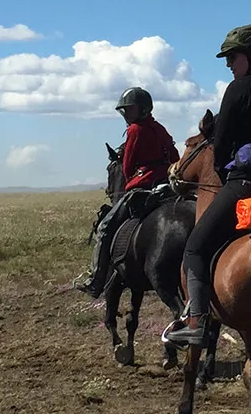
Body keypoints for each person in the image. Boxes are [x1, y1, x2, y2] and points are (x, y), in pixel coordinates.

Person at [161, 24, 251, 347]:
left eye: (232, 57)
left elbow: (223, 144)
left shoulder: (238, 90)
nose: (229, 64)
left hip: (247, 184)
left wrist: (227, 173)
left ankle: (197, 321)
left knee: (196, 247)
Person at [73, 87, 180, 296]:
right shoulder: (160, 128)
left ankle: (96, 279)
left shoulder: (134, 130)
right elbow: (175, 156)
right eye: (125, 110)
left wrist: (135, 176)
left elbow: (127, 166)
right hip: (166, 186)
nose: (126, 114)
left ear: (142, 109)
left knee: (104, 227)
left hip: (143, 186)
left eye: (129, 109)